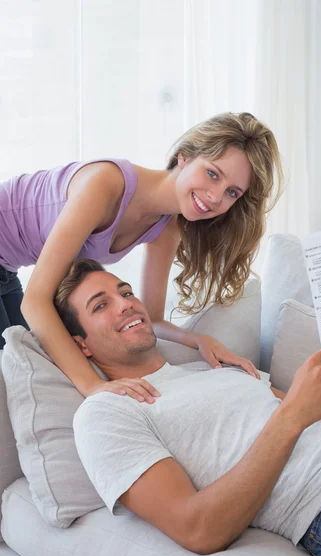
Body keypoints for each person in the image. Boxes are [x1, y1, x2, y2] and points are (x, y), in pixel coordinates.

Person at [57, 259, 321, 556]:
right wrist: (291, 415)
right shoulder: (105, 411)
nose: (126, 304)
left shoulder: (218, 369)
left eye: (126, 292)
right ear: (82, 345)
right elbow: (197, 529)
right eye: (101, 305)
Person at [0, 112, 282, 403]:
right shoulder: (105, 184)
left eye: (231, 192)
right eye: (212, 174)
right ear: (184, 157)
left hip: (6, 271)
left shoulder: (166, 228)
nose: (215, 197)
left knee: (28, 371)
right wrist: (93, 386)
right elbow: (35, 301)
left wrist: (200, 340)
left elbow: (154, 318)